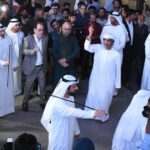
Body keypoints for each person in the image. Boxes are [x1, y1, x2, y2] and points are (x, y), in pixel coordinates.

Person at [41, 74, 107, 150]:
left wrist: (76, 131)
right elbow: (72, 112)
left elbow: (72, 117)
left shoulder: (71, 98)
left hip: (68, 133)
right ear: (66, 87)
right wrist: (92, 113)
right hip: (59, 137)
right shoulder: (56, 102)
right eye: (74, 86)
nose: (77, 88)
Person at [84, 26, 121, 122]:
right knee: (93, 96)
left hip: (109, 81)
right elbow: (86, 47)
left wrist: (117, 85)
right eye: (104, 40)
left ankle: (102, 117)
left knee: (105, 99)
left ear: (112, 42)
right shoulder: (97, 48)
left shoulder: (116, 54)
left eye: (109, 41)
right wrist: (90, 33)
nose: (106, 42)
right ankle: (90, 114)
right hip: (95, 78)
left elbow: (118, 70)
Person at [22, 19, 49, 112]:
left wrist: (46, 65)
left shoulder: (45, 38)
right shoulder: (28, 39)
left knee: (42, 87)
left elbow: (45, 53)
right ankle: (25, 102)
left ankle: (42, 101)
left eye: (42, 30)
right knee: (28, 87)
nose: (41, 32)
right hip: (31, 68)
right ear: (34, 29)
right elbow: (23, 51)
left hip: (41, 67)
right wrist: (33, 51)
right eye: (39, 30)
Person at [52, 21, 79, 86]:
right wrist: (60, 61)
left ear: (71, 29)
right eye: (65, 29)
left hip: (70, 64)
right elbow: (54, 51)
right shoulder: (57, 38)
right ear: (61, 28)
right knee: (58, 83)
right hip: (59, 65)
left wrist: (66, 59)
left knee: (69, 83)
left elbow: (76, 50)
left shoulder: (74, 38)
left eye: (69, 29)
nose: (67, 31)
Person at [0, 23, 18, 117]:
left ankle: (9, 109)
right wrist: (2, 63)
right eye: (1, 31)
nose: (3, 32)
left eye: (3, 30)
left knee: (8, 90)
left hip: (8, 70)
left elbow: (13, 53)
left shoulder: (8, 38)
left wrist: (15, 64)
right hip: (1, 70)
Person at [6, 18, 24, 96]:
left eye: (18, 25)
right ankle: (10, 91)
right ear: (11, 26)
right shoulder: (6, 34)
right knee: (10, 76)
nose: (18, 27)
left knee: (18, 75)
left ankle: (18, 90)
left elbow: (22, 45)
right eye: (16, 25)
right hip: (9, 59)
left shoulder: (21, 33)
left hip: (19, 58)